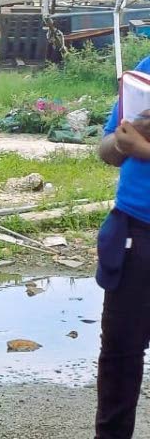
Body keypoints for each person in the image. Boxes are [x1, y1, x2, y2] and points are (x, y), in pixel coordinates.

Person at [93, 91, 150, 439]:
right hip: (134, 231)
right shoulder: (144, 75)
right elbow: (107, 150)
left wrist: (144, 149)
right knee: (119, 353)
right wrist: (124, 139)